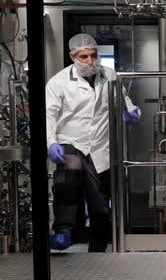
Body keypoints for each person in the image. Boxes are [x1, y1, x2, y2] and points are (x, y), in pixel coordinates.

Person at [46, 33, 141, 252]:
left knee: (100, 202)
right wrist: (51, 142)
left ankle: (97, 249)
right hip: (70, 143)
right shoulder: (58, 82)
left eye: (93, 55)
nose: (90, 61)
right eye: (84, 56)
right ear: (73, 57)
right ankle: (63, 230)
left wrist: (132, 112)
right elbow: (49, 115)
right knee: (67, 179)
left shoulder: (109, 75)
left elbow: (124, 101)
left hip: (101, 146)